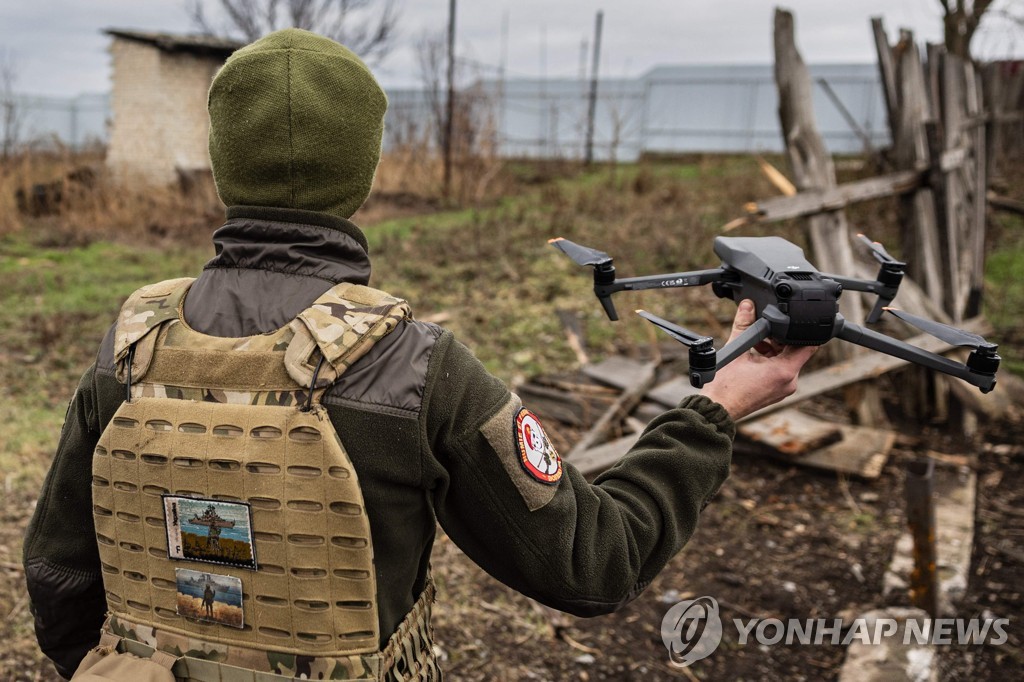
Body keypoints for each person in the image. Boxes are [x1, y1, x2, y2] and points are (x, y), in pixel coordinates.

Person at [22, 28, 815, 681]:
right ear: (363, 171)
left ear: (226, 162)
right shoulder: (416, 367)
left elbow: (58, 577)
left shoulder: (130, 345)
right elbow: (594, 561)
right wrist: (717, 408)